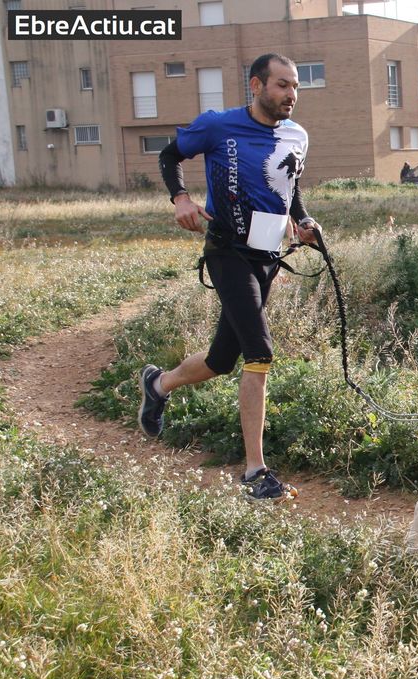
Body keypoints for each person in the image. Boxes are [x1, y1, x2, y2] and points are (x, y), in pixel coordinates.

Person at [144, 52, 321, 502]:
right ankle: (255, 473)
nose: (292, 94)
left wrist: (302, 220)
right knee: (259, 352)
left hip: (267, 255)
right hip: (227, 252)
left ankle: (158, 384)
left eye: (296, 87)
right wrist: (181, 199)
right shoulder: (218, 125)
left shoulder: (297, 135)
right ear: (256, 86)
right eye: (282, 85)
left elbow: (290, 185)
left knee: (221, 359)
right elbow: (169, 154)